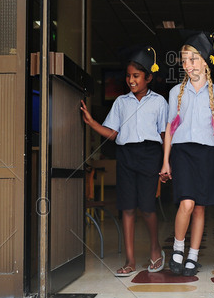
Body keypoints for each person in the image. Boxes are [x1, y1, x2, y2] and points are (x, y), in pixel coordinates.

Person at [80, 46, 167, 277]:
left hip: (150, 155)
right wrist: (92, 123)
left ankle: (155, 250)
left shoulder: (159, 102)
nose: (131, 80)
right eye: (128, 76)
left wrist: (166, 163)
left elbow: (164, 136)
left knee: (147, 208)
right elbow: (113, 133)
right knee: (127, 208)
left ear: (148, 77)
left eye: (136, 76)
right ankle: (130, 260)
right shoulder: (121, 102)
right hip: (126, 155)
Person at [159, 31, 214, 277]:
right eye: (184, 60)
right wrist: (165, 161)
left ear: (205, 61)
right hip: (182, 152)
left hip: (207, 154)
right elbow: (169, 130)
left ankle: (193, 256)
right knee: (186, 202)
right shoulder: (175, 93)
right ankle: (177, 248)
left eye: (193, 59)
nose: (187, 64)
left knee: (200, 208)